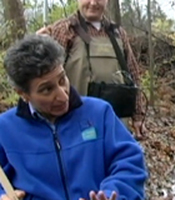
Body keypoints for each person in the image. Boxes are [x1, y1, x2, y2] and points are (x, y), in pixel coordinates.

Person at [0, 34, 148, 200]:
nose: (63, 95)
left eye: (62, 79)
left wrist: (112, 193)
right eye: (47, 90)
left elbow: (129, 162)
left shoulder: (99, 113)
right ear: (23, 94)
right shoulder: (5, 129)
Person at [36, 0, 146, 139]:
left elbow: (133, 73)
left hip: (115, 122)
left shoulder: (118, 33)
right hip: (76, 122)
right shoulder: (65, 29)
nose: (93, 3)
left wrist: (138, 116)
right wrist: (37, 48)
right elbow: (45, 77)